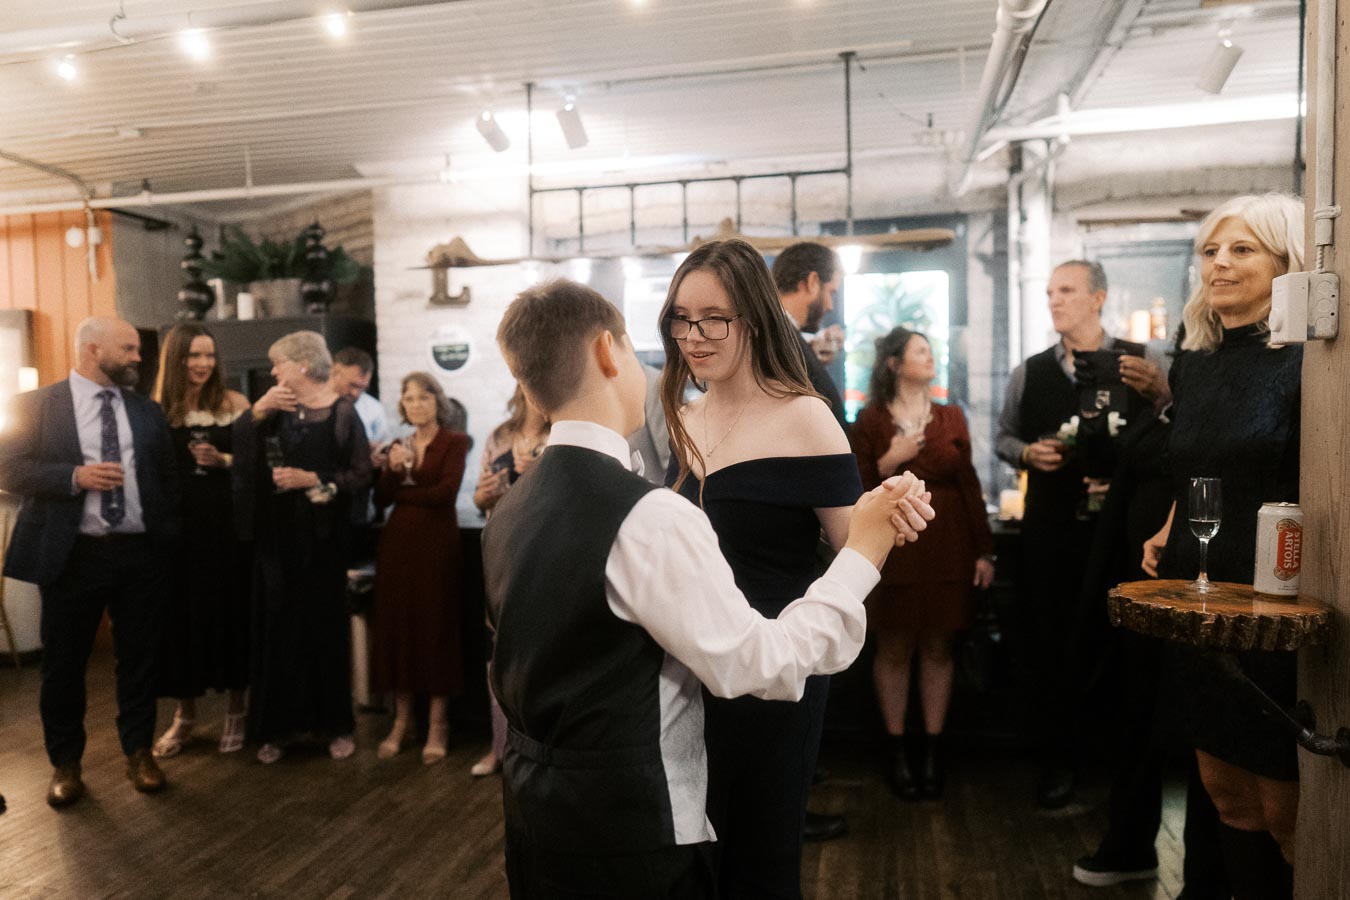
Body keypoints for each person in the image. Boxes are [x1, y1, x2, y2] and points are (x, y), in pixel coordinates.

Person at [483, 278, 933, 899]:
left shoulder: (511, 506)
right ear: (608, 352)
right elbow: (763, 662)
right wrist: (865, 551)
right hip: (632, 829)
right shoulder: (646, 517)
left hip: (539, 816)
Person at [662, 239, 870, 897]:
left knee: (761, 856)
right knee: (701, 851)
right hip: (693, 672)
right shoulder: (682, 418)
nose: (694, 336)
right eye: (681, 318)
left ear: (753, 316)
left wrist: (894, 510)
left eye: (712, 318)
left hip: (776, 674)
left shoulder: (804, 415)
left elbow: (855, 545)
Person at [1140, 193, 1304, 900]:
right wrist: (1171, 522)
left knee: (1286, 805)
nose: (1220, 263)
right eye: (1211, 250)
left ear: (1287, 262)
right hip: (1196, 583)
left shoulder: (1310, 360)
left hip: (1275, 591)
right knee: (1222, 789)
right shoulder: (1197, 360)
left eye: (1243, 250)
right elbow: (1199, 463)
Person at [0, 316, 178, 807]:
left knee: (139, 660)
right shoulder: (34, 405)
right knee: (63, 665)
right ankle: (66, 764)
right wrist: (74, 475)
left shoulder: (146, 411)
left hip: (141, 553)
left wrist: (168, 537)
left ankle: (139, 752)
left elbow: (166, 477)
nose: (139, 357)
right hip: (73, 555)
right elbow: (9, 469)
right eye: (129, 348)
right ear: (93, 349)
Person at [995, 259, 1151, 809]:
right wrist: (1027, 453)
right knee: (1052, 643)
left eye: (1067, 291)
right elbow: (1004, 438)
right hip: (1051, 530)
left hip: (1121, 531)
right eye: (1049, 292)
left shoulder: (1140, 363)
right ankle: (1058, 759)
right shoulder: (1031, 371)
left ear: (1099, 298)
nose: (1055, 301)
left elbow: (1170, 431)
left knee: (1120, 643)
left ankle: (1117, 763)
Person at [849, 326, 994, 800]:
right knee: (893, 648)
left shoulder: (952, 415)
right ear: (894, 363)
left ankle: (933, 750)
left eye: (932, 351)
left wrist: (984, 549)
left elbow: (969, 482)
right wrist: (891, 459)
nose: (931, 357)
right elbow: (856, 492)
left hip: (949, 543)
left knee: (939, 648)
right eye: (920, 351)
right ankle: (896, 751)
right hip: (895, 548)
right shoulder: (870, 420)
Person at [234, 331, 371, 764]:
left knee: (324, 629)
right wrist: (255, 415)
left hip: (323, 539)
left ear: (304, 366)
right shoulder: (274, 412)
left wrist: (315, 480)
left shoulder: (343, 413)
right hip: (277, 539)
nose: (273, 372)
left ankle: (335, 726)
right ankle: (275, 729)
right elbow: (238, 455)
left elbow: (361, 474)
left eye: (280, 364)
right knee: (278, 628)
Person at [149, 323, 253, 758]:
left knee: (230, 618)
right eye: (193, 356)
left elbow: (258, 465)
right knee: (179, 624)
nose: (203, 365)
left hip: (226, 532)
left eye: (209, 356)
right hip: (176, 534)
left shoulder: (235, 404)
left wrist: (224, 460)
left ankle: (237, 711)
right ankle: (185, 716)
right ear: (176, 360)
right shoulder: (157, 410)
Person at [371, 372, 471, 764]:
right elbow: (381, 499)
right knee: (398, 629)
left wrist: (405, 490)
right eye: (408, 399)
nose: (415, 405)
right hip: (397, 546)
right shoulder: (399, 444)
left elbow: (446, 492)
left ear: (437, 402)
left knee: (434, 627)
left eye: (423, 398)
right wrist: (393, 470)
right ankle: (401, 721)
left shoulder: (455, 441)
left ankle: (437, 724)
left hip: (436, 545)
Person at [468, 384, 551, 777]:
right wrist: (482, 496)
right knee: (498, 654)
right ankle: (499, 746)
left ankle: (537, 748)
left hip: (545, 553)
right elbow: (481, 499)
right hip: (502, 551)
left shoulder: (562, 433)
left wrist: (536, 475)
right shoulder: (500, 435)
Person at [770, 242, 846, 430]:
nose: (830, 305)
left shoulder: (784, 335)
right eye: (830, 292)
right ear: (812, 282)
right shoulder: (778, 338)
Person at [330, 347, 390, 449]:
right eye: (352, 385)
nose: (356, 394)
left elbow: (384, 445)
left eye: (363, 388)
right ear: (334, 371)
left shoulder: (374, 408)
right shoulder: (309, 401)